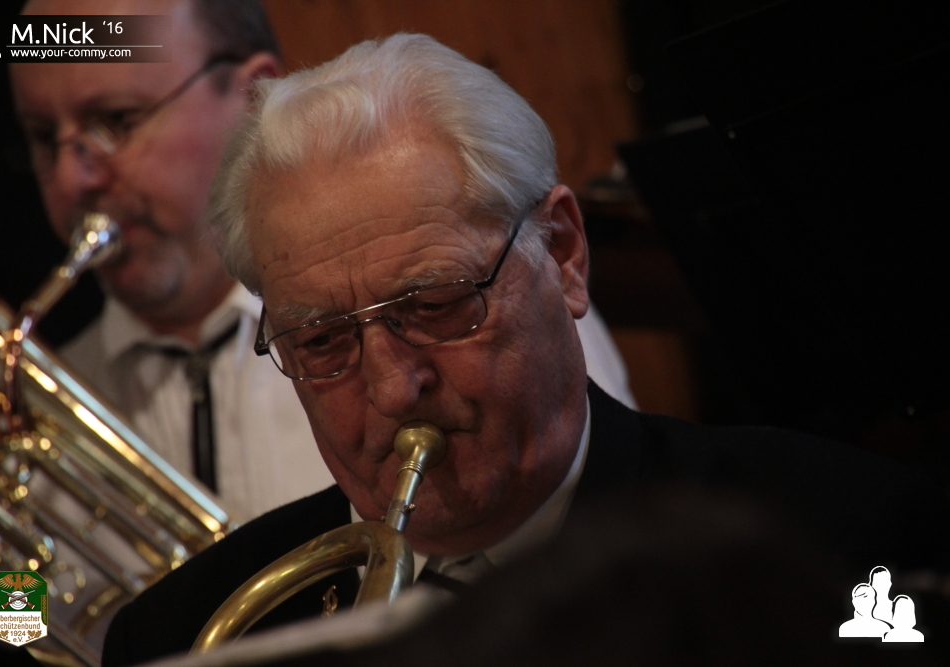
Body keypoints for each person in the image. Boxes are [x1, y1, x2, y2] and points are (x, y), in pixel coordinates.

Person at [100, 33, 949, 667]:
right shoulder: (182, 632)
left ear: (565, 254)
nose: (393, 388)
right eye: (322, 340)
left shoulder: (840, 542)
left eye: (436, 304)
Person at [0, 0, 635, 523]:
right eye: (43, 138)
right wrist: (12, 588)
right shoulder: (36, 412)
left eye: (117, 120)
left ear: (251, 95)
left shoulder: (498, 294)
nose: (72, 178)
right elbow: (19, 632)